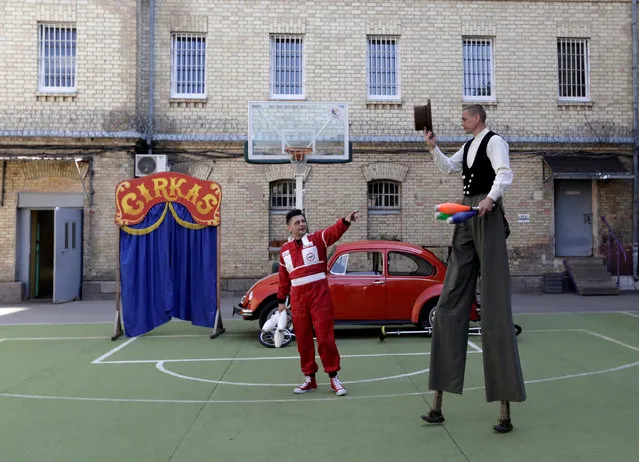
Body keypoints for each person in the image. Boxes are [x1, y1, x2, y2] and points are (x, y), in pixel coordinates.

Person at [421, 104, 526, 433]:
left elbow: (504, 174)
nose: (461, 121)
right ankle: (437, 406)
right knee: (450, 300)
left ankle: (504, 411)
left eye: (464, 117)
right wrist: (432, 147)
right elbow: (450, 168)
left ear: (477, 118)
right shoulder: (468, 146)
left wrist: (490, 200)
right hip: (467, 213)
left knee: (494, 303)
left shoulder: (495, 142)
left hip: (486, 213)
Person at [277, 208, 359, 396]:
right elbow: (283, 278)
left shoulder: (317, 239)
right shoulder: (284, 251)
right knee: (303, 340)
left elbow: (333, 232)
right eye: (297, 223)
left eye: (303, 221)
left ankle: (334, 378)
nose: (301, 225)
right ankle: (309, 379)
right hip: (298, 299)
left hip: (319, 296)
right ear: (289, 227)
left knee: (325, 337)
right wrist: (281, 301)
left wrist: (345, 221)